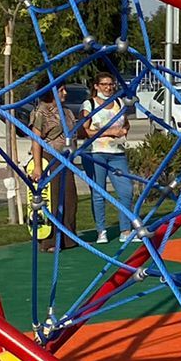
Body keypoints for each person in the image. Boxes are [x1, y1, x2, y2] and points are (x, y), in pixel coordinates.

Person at [77, 72, 133, 245]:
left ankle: (126, 230)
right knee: (99, 193)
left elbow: (125, 123)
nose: (108, 88)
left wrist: (123, 131)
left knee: (126, 191)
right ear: (96, 86)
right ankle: (101, 230)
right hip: (95, 153)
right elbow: (82, 131)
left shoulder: (118, 102)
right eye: (104, 84)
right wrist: (109, 132)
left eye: (111, 84)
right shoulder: (89, 104)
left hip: (116, 153)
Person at [27, 88, 76, 249]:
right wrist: (38, 167)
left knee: (69, 197)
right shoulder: (42, 111)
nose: (65, 93)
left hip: (66, 159)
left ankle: (68, 238)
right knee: (53, 198)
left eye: (64, 89)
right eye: (61, 90)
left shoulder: (67, 111)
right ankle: (50, 241)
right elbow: (36, 139)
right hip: (49, 156)